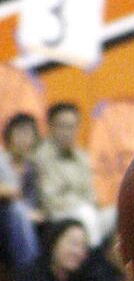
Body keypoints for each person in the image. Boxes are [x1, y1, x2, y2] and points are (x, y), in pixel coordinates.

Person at [34, 102, 114, 247]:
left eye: (72, 126)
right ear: (50, 127)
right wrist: (82, 205)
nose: (67, 132)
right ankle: (92, 265)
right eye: (62, 126)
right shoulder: (40, 156)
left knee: (117, 214)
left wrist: (89, 206)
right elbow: (50, 201)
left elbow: (90, 194)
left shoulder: (83, 157)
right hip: (56, 217)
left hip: (87, 214)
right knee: (85, 214)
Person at [0, 112, 42, 271]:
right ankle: (28, 272)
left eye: (28, 134)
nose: (23, 139)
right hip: (5, 219)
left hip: (31, 223)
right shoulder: (1, 160)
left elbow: (39, 203)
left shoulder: (34, 166)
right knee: (17, 212)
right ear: (9, 135)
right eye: (19, 133)